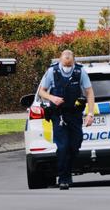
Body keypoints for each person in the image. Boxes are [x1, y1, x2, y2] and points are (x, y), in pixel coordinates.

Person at [37, 50, 95, 190]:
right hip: (59, 115)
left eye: (70, 60)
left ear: (73, 60)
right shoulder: (52, 72)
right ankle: (64, 178)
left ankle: (67, 170)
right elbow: (41, 91)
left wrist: (90, 114)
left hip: (74, 114)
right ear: (60, 59)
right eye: (65, 59)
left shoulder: (80, 72)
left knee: (75, 145)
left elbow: (89, 92)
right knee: (62, 146)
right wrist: (52, 98)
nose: (67, 63)